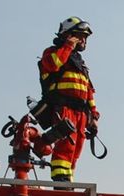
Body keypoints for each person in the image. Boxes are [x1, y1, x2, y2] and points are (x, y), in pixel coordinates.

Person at [38, 17, 99, 182]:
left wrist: (93, 116)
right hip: (63, 109)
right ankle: (61, 183)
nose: (83, 40)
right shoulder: (52, 52)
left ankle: (68, 182)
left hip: (81, 114)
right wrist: (67, 46)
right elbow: (53, 65)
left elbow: (89, 91)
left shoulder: (80, 63)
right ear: (68, 35)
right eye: (80, 36)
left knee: (75, 152)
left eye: (85, 37)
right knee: (65, 148)